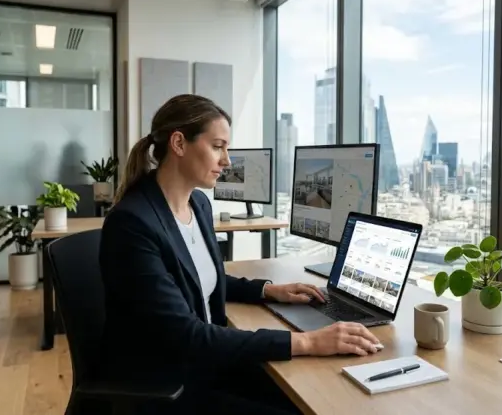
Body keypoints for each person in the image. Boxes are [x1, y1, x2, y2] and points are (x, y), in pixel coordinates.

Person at [98, 94, 381, 415]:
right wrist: (308, 342)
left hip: (207, 361)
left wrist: (266, 290)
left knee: (319, 396)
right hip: (169, 382)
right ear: (178, 143)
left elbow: (197, 280)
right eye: (218, 146)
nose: (228, 161)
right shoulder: (132, 224)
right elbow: (184, 336)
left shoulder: (198, 205)